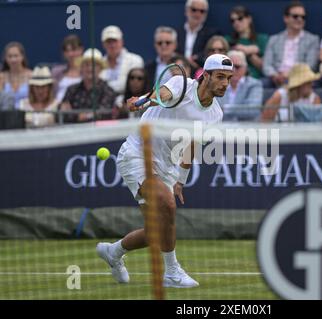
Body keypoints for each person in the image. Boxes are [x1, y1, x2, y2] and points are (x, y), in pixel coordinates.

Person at [96, 54, 234, 288]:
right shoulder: (181, 84)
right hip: (138, 153)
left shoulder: (215, 114)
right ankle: (171, 272)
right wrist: (145, 100)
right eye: (220, 77)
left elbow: (192, 146)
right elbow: (164, 94)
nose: (225, 83)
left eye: (229, 79)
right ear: (205, 76)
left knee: (155, 232)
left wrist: (180, 180)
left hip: (167, 167)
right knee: (168, 205)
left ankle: (113, 252)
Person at [263, 1, 320, 88]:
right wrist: (275, 75)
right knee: (259, 84)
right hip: (276, 78)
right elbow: (266, 65)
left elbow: (311, 65)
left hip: (300, 78)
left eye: (303, 17)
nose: (299, 19)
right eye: (295, 16)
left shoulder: (312, 40)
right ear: (286, 18)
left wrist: (289, 74)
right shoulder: (274, 39)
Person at [60, 48, 116, 123]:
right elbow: (62, 114)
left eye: (94, 65)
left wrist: (79, 116)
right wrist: (79, 116)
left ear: (100, 69)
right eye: (86, 65)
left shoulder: (108, 90)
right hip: (72, 132)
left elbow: (103, 114)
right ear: (81, 68)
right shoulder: (71, 90)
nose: (90, 68)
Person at [176, 0, 220, 75]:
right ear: (187, 10)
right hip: (177, 72)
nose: (197, 14)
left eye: (202, 11)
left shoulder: (212, 34)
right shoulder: (176, 33)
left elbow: (212, 53)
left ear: (206, 14)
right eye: (194, 10)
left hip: (200, 74)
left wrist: (197, 59)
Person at [225, 5, 269, 79]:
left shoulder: (262, 39)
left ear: (249, 19)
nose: (236, 22)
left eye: (240, 18)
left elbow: (264, 68)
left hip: (255, 79)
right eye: (233, 21)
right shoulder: (228, 39)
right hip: (233, 80)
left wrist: (247, 52)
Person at [100, 25, 144, 94]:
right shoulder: (98, 64)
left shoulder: (135, 60)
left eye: (115, 41)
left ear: (121, 41)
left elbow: (133, 86)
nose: (112, 45)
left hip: (129, 102)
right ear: (103, 44)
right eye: (109, 42)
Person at [52, 34, 84, 103]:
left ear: (81, 50)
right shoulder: (56, 72)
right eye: (67, 51)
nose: (70, 54)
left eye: (74, 50)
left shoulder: (87, 72)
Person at [0, 42, 32, 109]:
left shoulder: (31, 75)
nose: (13, 60)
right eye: (10, 56)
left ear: (22, 56)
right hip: (5, 115)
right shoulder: (1, 77)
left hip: (27, 114)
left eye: (16, 56)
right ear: (5, 58)